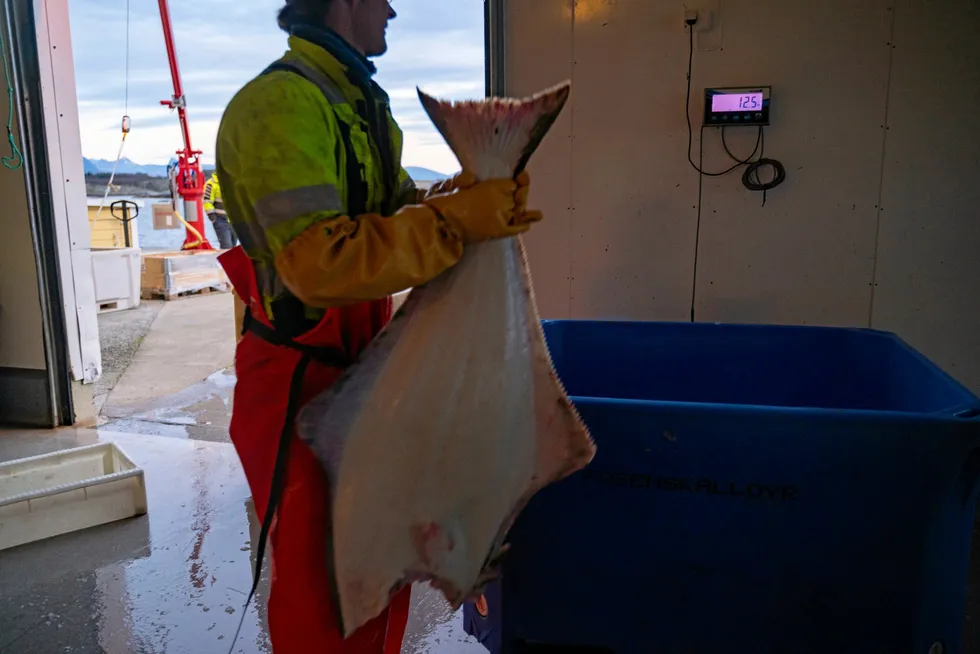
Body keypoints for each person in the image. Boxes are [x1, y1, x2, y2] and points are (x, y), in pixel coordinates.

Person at [214, 0, 543, 652]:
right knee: (328, 591)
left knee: (382, 573)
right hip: (298, 379)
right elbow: (320, 264)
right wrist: (456, 223)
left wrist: (460, 196)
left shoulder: (356, 102)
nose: (393, 9)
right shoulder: (280, 106)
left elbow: (388, 211)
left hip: (366, 365)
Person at [203, 171, 237, 249]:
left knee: (233, 247)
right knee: (227, 246)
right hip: (221, 220)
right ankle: (228, 261)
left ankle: (229, 261)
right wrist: (213, 218)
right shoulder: (211, 183)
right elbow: (207, 201)